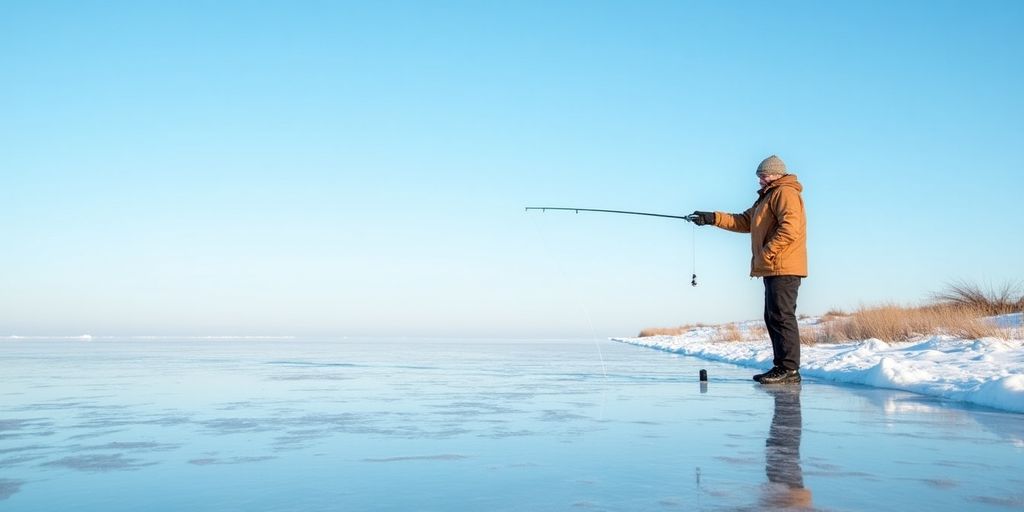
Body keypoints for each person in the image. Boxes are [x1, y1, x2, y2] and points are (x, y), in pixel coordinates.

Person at [689, 155, 807, 384]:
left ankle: (788, 369)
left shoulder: (785, 192)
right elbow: (744, 221)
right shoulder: (767, 197)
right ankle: (782, 367)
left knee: (782, 316)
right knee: (773, 316)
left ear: (776, 174)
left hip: (784, 265)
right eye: (759, 177)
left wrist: (767, 253)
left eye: (763, 176)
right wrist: (711, 218)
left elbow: (790, 228)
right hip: (774, 266)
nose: (760, 180)